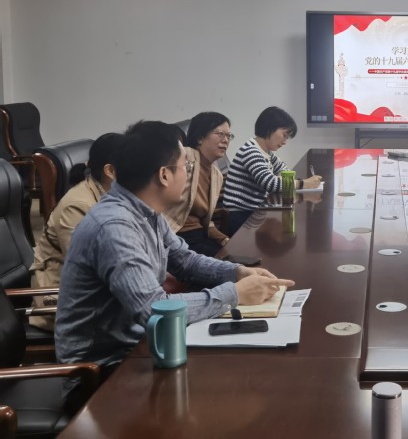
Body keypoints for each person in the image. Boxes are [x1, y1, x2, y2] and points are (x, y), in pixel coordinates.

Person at [56, 121, 294, 386]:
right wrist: (235, 294)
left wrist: (237, 273)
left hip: (146, 346)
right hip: (104, 372)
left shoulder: (146, 211)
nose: (188, 174)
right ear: (164, 175)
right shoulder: (114, 227)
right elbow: (153, 310)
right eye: (185, 167)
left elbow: (186, 261)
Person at [28, 133, 124, 331]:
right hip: (60, 295)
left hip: (96, 290)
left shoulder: (113, 195)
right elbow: (86, 268)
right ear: (110, 171)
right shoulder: (78, 205)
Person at [222, 106, 322, 235]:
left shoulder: (266, 152)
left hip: (253, 213)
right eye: (284, 135)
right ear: (269, 128)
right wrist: (304, 183)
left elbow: (286, 173)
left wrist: (288, 180)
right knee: (287, 228)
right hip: (240, 217)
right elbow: (270, 183)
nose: (285, 142)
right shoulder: (251, 151)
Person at [164, 112, 232, 257]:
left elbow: (206, 221)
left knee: (236, 257)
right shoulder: (184, 157)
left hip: (199, 235)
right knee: (229, 263)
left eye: (228, 136)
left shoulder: (217, 175)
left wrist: (223, 239)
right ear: (200, 137)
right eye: (220, 134)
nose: (226, 140)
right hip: (174, 235)